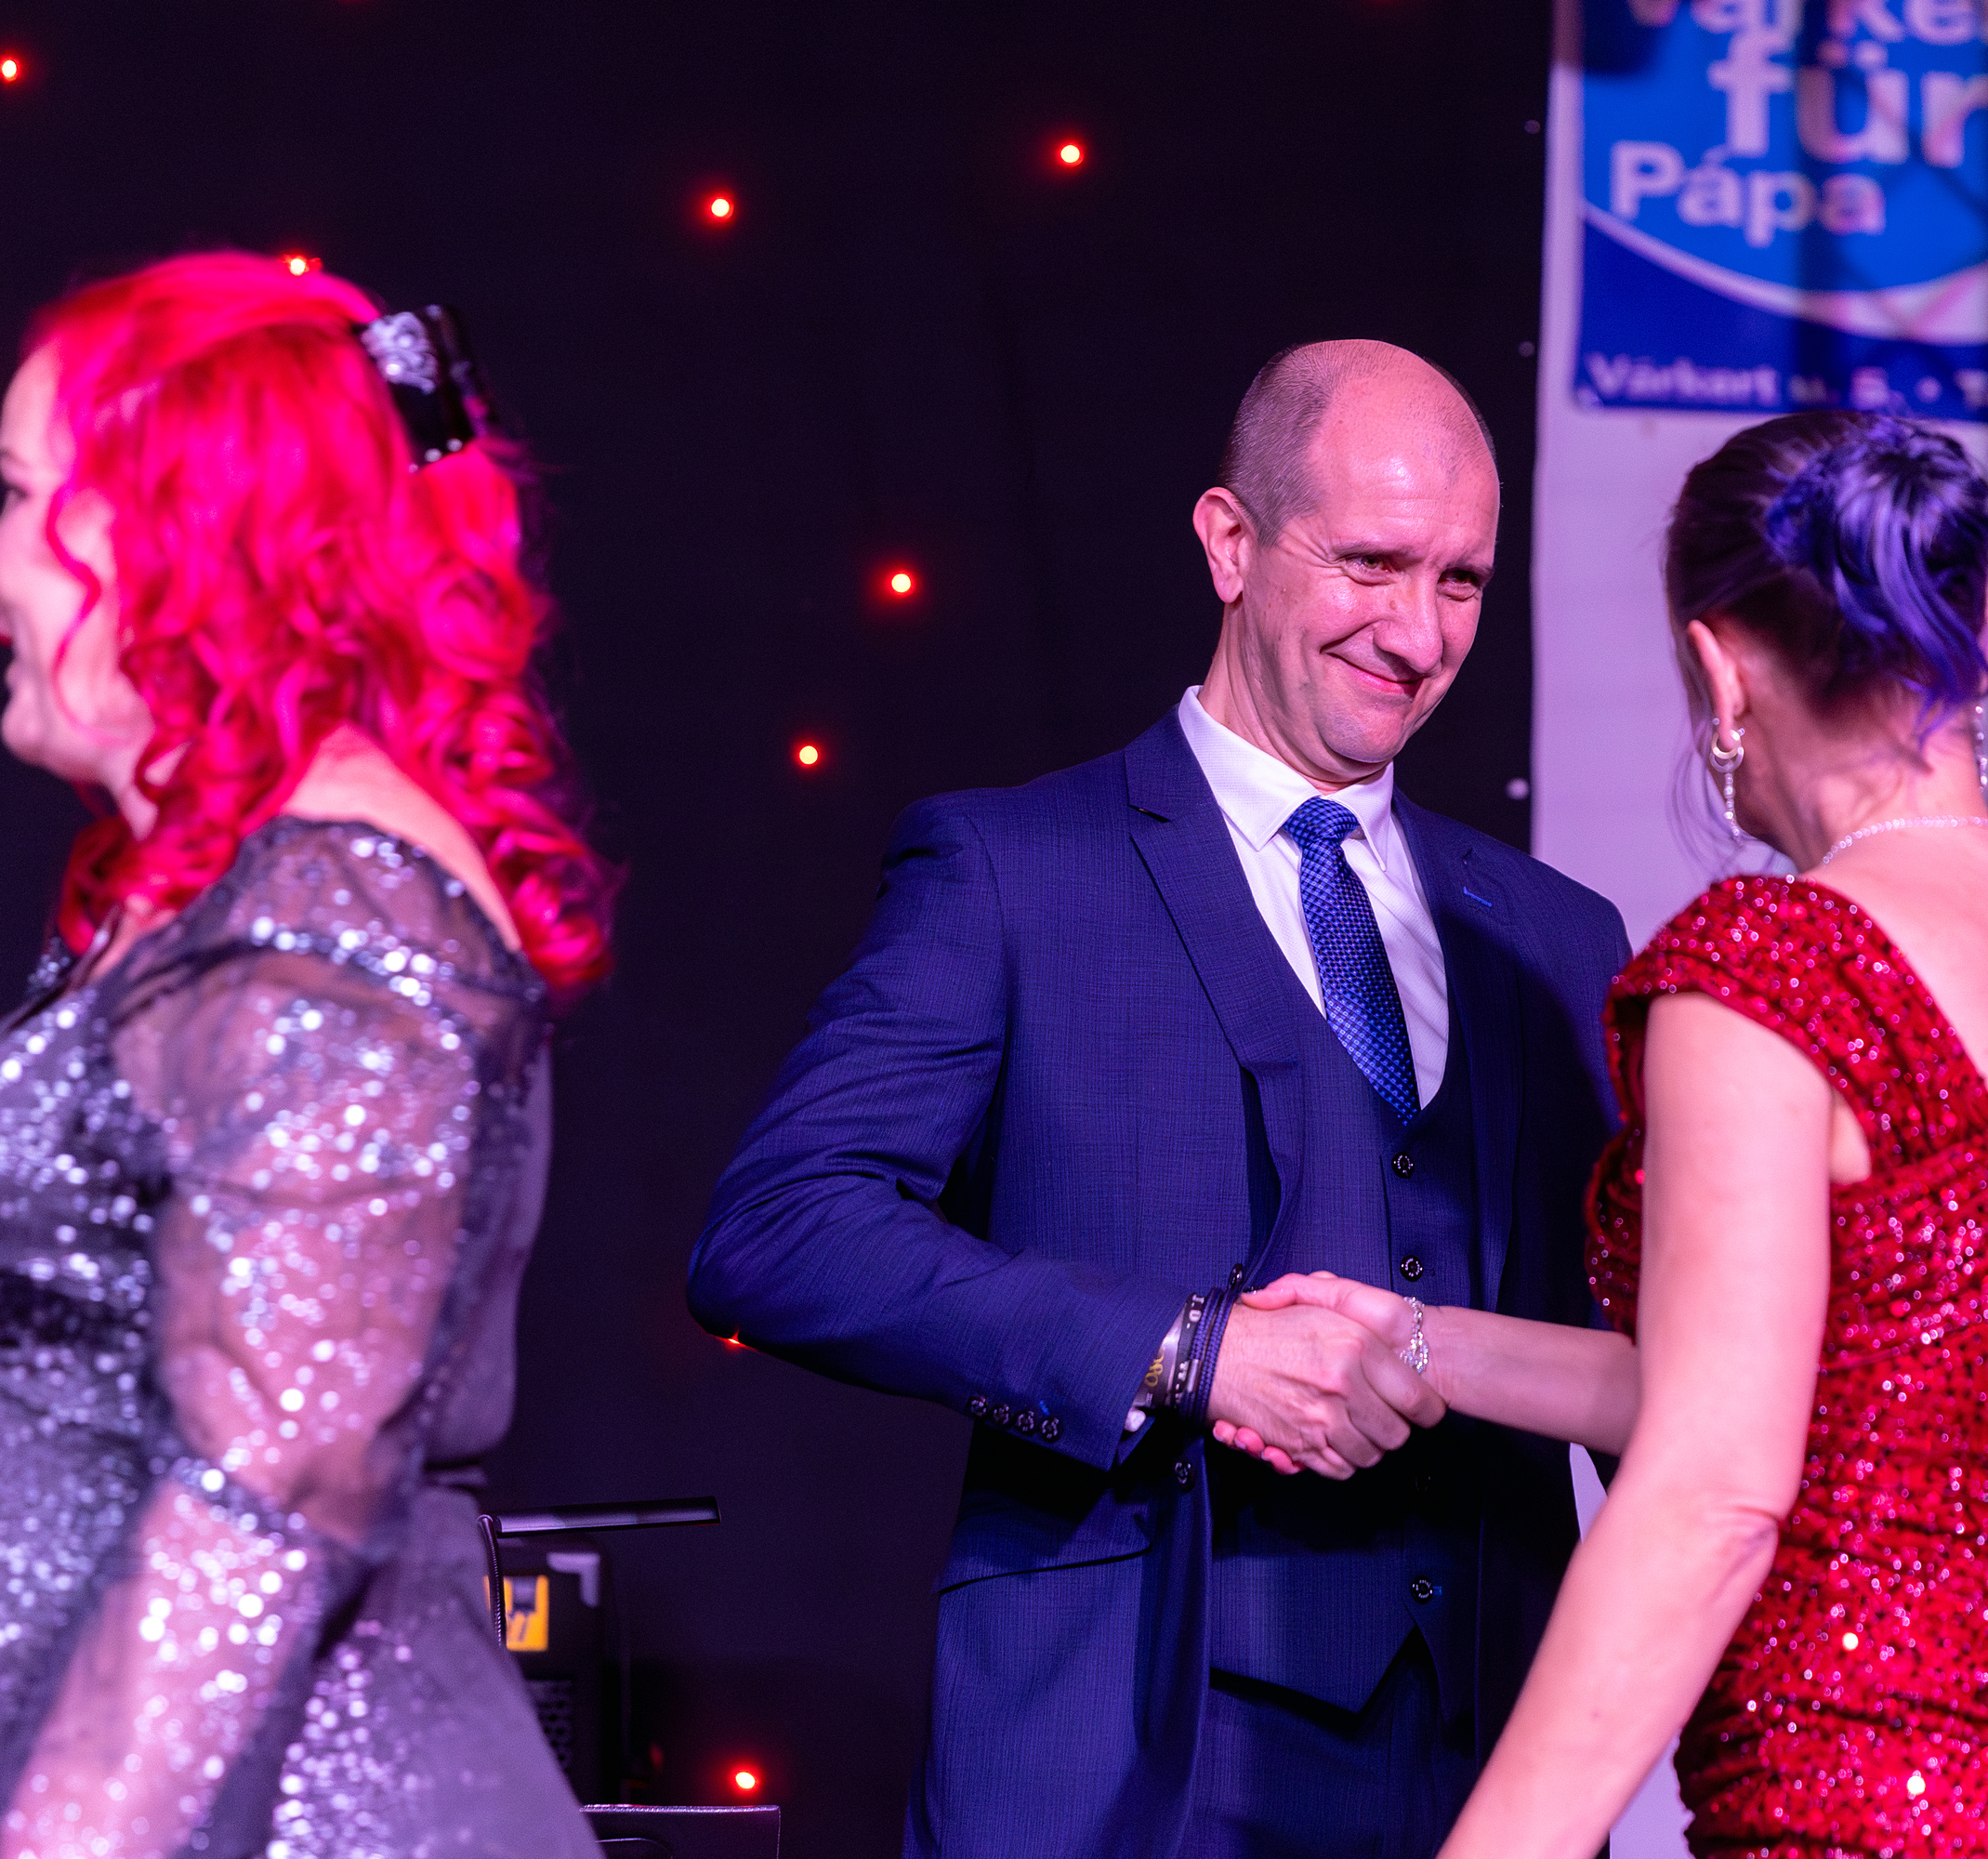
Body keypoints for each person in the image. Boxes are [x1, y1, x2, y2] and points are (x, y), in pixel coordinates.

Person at [687, 339, 1631, 1858]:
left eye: (1460, 581)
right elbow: (781, 1231)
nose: (1416, 632)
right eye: (1372, 563)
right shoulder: (1012, 870)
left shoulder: (1559, 937)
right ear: (1230, 542)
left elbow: (1649, 1373)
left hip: (1489, 1783)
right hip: (1118, 1771)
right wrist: (1187, 1353)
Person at [1244, 410, 1988, 1857]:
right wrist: (1422, 1344)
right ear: (1983, 625)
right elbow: (1834, 1390)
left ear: (1718, 667)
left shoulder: (1771, 969)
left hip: (1863, 1811)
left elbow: (1711, 1492)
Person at [0, 253, 613, 1859]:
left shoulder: (340, 913)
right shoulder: (207, 897)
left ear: (185, 531)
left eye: (21, 499)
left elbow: (277, 1486)